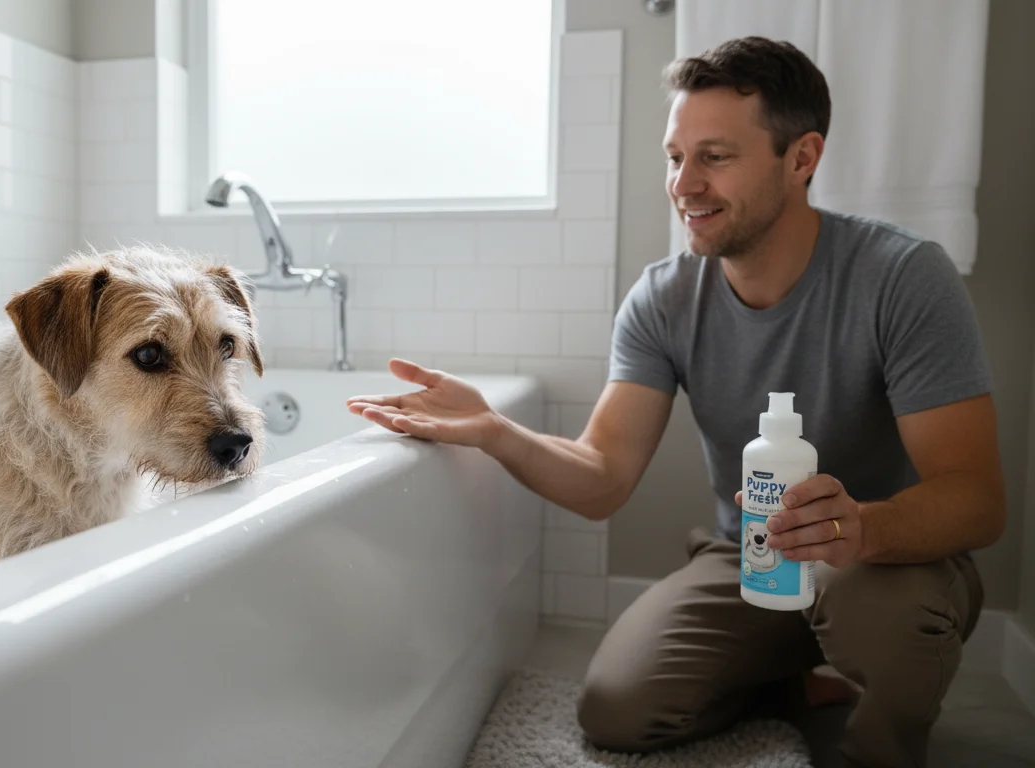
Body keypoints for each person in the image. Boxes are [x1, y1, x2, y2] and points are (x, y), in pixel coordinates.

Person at [345, 36, 1004, 768]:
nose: (684, 183)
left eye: (714, 157)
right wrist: (495, 431)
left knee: (885, 618)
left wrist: (860, 529)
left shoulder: (902, 277)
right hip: (749, 557)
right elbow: (602, 476)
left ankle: (878, 749)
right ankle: (787, 678)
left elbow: (975, 499)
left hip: (886, 565)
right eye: (674, 157)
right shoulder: (664, 299)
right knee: (617, 710)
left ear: (801, 159)